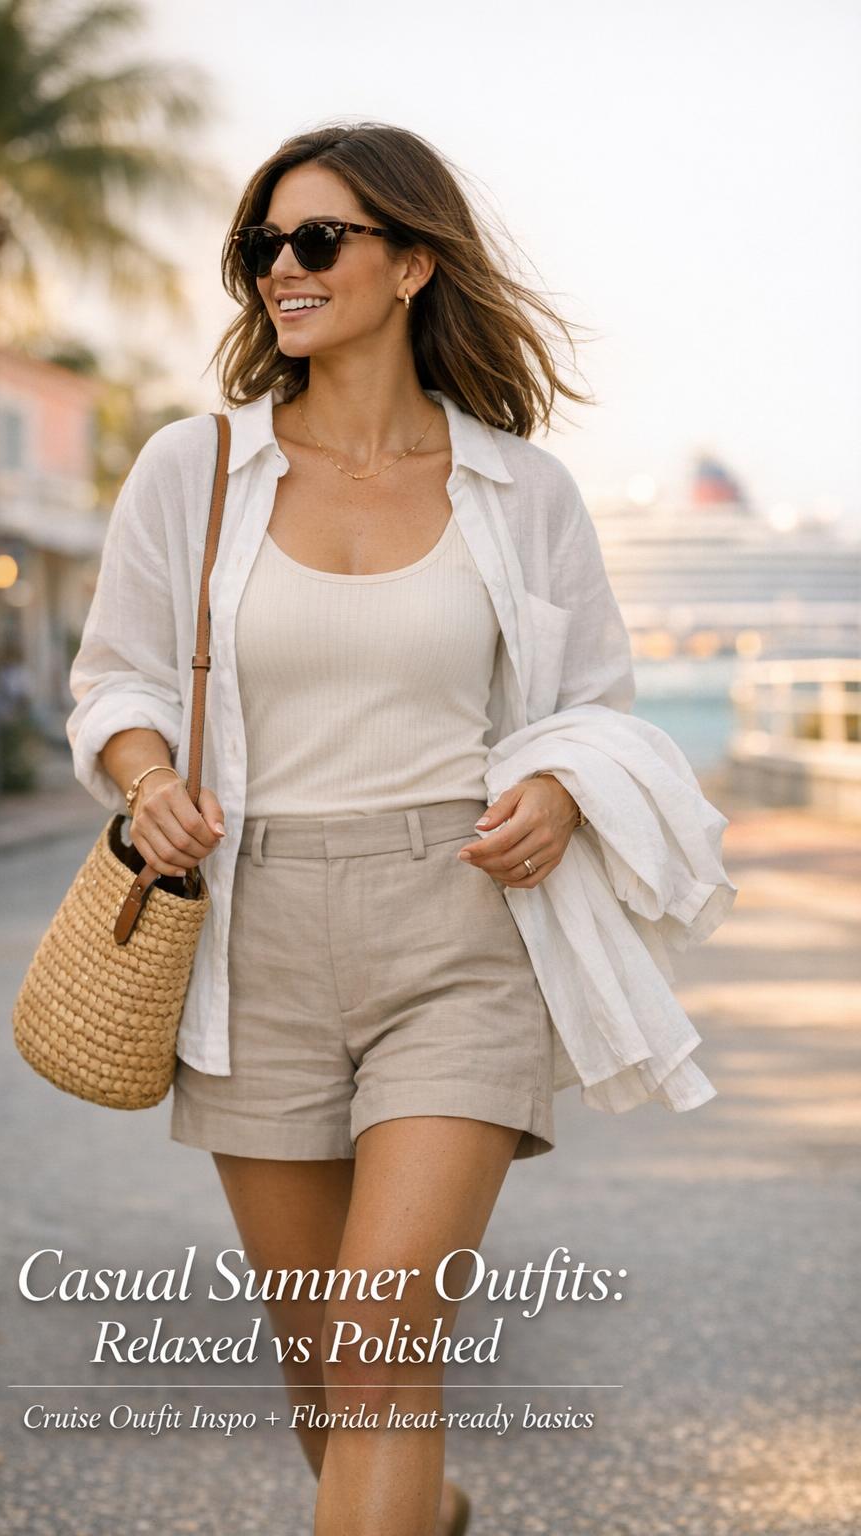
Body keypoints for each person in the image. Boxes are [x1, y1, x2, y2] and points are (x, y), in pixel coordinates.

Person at [67, 120, 733, 1536]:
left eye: (319, 241)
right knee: (329, 1381)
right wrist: (143, 776)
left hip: (457, 931)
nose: (282, 272)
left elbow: (598, 706)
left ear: (413, 264)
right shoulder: (194, 472)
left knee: (380, 1346)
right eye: (263, 246)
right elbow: (115, 678)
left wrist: (556, 792)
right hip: (254, 939)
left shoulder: (520, 489)